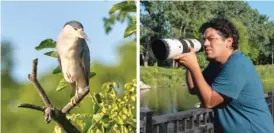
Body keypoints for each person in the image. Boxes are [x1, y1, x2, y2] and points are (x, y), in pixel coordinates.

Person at [173, 18, 274, 133]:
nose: (205, 44)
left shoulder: (237, 64)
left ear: (228, 41)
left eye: (211, 39)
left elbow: (209, 101)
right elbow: (194, 88)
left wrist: (195, 67)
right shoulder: (216, 65)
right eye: (204, 39)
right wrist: (189, 65)